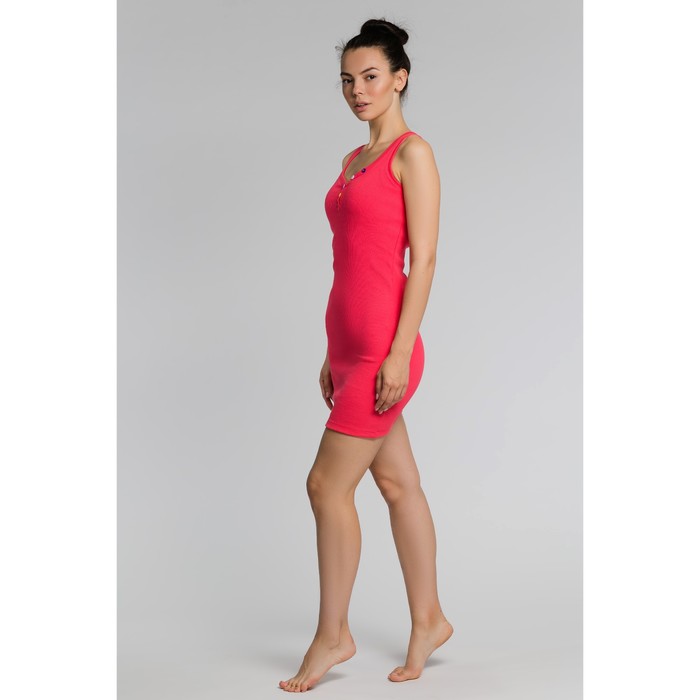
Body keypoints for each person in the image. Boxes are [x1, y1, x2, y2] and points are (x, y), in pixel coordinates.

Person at [279, 18, 452, 693]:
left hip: (385, 348)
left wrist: (399, 353)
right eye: (348, 80)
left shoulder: (413, 154)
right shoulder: (352, 160)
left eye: (371, 77)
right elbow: (349, 261)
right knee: (398, 485)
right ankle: (430, 619)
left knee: (326, 486)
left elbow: (424, 259)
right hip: (348, 347)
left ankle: (333, 636)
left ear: (400, 78)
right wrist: (333, 351)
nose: (358, 90)